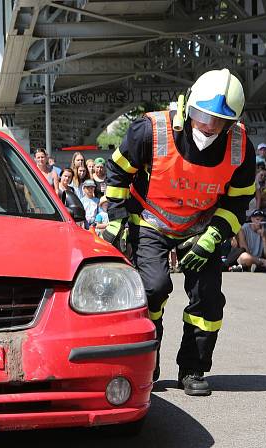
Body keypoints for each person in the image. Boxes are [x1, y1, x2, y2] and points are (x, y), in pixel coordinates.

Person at [103, 69, 255, 396]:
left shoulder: (241, 148)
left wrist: (212, 238)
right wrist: (117, 219)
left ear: (232, 122)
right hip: (150, 220)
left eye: (219, 121)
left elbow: (239, 201)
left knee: (208, 299)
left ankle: (193, 368)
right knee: (152, 289)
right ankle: (148, 362)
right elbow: (117, 173)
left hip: (203, 227)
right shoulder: (149, 131)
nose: (208, 126)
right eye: (202, 116)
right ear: (187, 108)